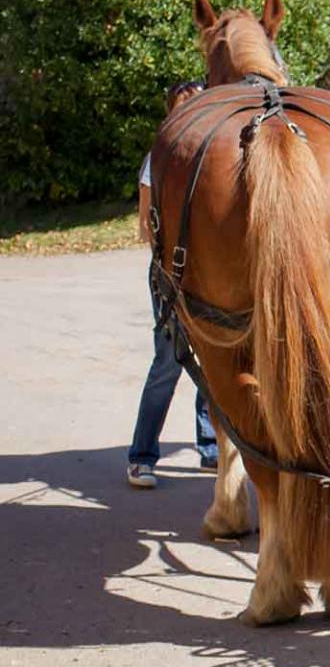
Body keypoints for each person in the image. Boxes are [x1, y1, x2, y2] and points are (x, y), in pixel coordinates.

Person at [127, 80, 219, 488]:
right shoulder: (159, 159)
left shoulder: (216, 156)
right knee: (169, 363)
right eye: (184, 106)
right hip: (171, 276)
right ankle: (142, 456)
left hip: (210, 273)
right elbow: (146, 225)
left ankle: (211, 448)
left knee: (215, 362)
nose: (192, 112)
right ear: (171, 115)